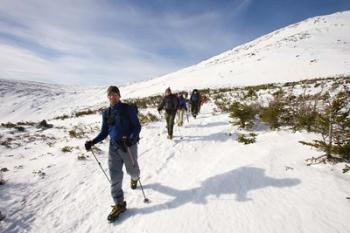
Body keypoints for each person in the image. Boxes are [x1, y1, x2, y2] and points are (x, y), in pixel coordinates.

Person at [84, 86, 141, 222]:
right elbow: (104, 132)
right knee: (114, 176)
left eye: (115, 94)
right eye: (110, 95)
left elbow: (137, 126)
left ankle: (134, 178)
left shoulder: (128, 109)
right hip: (113, 148)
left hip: (128, 147)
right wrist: (93, 142)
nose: (112, 97)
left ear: (119, 95)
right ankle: (119, 204)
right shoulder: (106, 113)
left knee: (133, 172)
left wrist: (131, 138)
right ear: (107, 97)